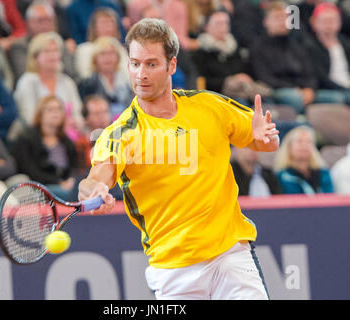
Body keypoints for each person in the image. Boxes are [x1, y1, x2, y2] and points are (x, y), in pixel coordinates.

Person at [78, 18, 280, 300]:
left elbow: (264, 140)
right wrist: (94, 190)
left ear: (171, 65)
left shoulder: (209, 106)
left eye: (151, 64)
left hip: (231, 254)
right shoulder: (120, 133)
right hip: (174, 270)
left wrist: (268, 140)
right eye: (135, 64)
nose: (141, 74)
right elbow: (94, 179)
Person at [249, 1, 345, 114]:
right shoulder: (258, 47)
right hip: (278, 90)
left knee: (336, 98)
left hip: (304, 90)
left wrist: (310, 89)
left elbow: (310, 72)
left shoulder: (297, 44)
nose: (283, 21)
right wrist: (295, 89)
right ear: (266, 21)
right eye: (277, 17)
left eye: (286, 17)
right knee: (294, 98)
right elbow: (264, 77)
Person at [11, 95, 82, 201]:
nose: (55, 113)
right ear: (40, 114)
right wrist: (59, 183)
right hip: (38, 187)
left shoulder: (66, 141)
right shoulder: (26, 139)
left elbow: (75, 166)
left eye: (59, 109)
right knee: (72, 194)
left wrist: (71, 180)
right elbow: (29, 170)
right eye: (50, 110)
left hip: (66, 185)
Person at [13, 31, 83, 140]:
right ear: (35, 57)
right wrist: (59, 126)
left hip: (67, 137)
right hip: (36, 139)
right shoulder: (27, 82)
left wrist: (75, 123)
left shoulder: (67, 82)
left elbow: (77, 113)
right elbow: (30, 118)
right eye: (46, 51)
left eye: (56, 50)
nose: (53, 55)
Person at [193, 10, 272, 105]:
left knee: (265, 100)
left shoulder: (234, 48)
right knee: (240, 103)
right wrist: (229, 80)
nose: (223, 27)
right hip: (218, 94)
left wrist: (244, 78)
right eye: (218, 23)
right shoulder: (200, 51)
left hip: (243, 90)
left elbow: (247, 71)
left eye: (226, 23)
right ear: (206, 27)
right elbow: (201, 81)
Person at [8, 1, 78, 85]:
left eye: (49, 20)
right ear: (28, 22)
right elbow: (23, 74)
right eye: (40, 20)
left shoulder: (59, 42)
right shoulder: (19, 46)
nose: (45, 25)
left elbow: (71, 73)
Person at [303, 2, 350, 105]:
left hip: (346, 86)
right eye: (325, 21)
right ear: (314, 23)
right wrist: (345, 88)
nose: (329, 25)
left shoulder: (345, 43)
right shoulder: (309, 46)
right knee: (341, 97)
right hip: (327, 89)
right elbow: (321, 78)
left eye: (333, 20)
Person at [77, 36, 134, 119]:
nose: (108, 58)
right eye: (103, 54)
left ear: (118, 57)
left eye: (111, 53)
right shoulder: (86, 85)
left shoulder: (128, 83)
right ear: (95, 58)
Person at [274, 125, 334, 195]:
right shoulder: (282, 177)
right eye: (299, 141)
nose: (304, 145)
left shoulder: (323, 173)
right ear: (289, 147)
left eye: (309, 142)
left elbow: (330, 196)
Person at [74, 7, 129, 80]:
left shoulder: (121, 50)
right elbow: (86, 77)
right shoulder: (84, 49)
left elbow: (128, 78)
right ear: (94, 28)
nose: (108, 27)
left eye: (111, 23)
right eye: (104, 23)